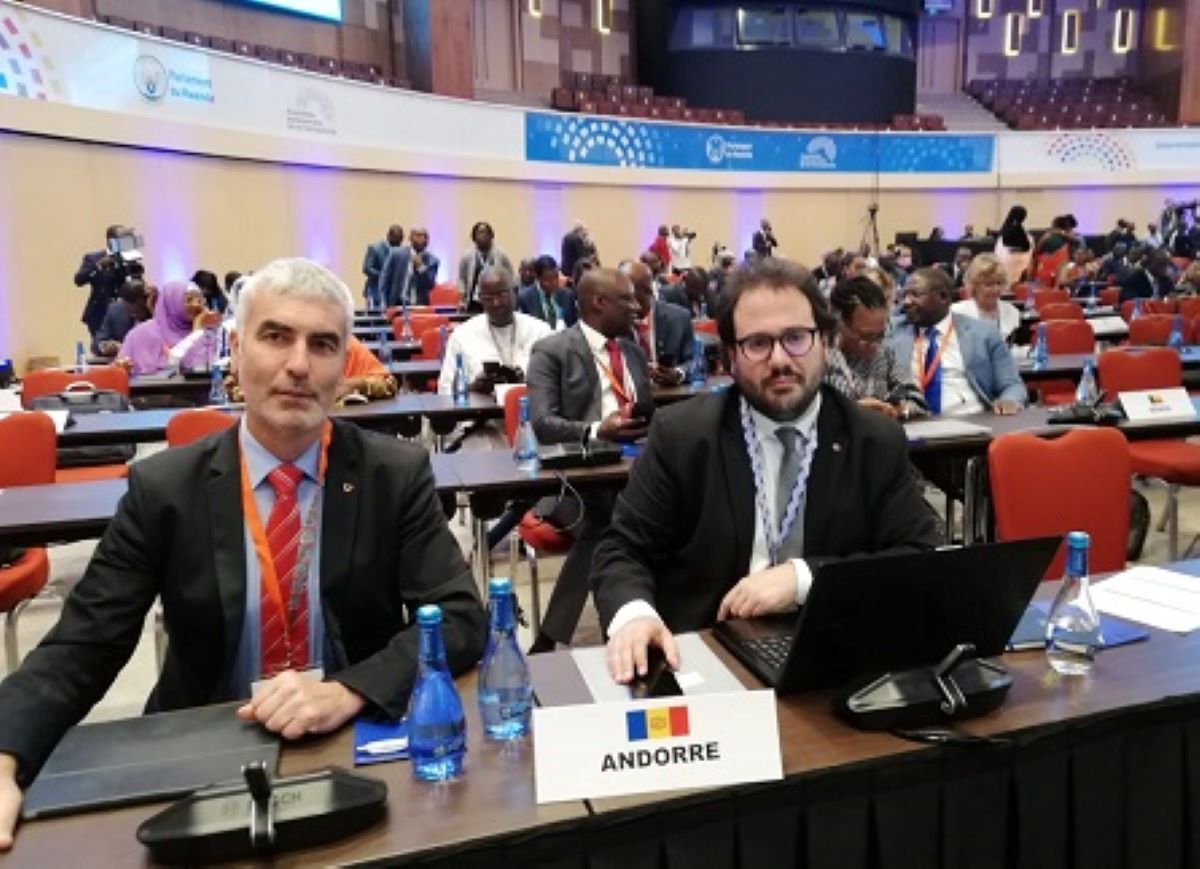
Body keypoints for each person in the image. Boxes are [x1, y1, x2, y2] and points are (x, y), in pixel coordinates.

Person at [0, 258, 488, 848]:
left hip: (352, 749)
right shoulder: (166, 489)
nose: (298, 365)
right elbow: (83, 643)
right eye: (276, 336)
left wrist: (349, 689)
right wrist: (6, 754)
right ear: (235, 350)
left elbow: (460, 619)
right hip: (206, 749)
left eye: (323, 344)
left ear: (345, 366)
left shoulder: (394, 475)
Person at [590, 258, 941, 681]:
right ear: (731, 356)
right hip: (707, 654)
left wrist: (803, 577)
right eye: (757, 343)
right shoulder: (683, 435)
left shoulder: (873, 439)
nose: (779, 359)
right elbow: (622, 550)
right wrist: (634, 616)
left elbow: (919, 556)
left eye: (796, 338)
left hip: (834, 654)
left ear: (825, 341)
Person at [525, 268, 652, 652]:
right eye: (627, 300)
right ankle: (558, 638)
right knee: (606, 526)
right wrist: (598, 430)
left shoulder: (631, 350)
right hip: (572, 483)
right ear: (600, 303)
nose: (637, 307)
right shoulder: (553, 350)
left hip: (632, 474)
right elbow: (543, 424)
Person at [888, 267, 1026, 417]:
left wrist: (1009, 400)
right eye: (904, 295)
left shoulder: (983, 334)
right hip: (912, 420)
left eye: (915, 295)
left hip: (972, 418)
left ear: (943, 297)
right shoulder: (891, 333)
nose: (907, 302)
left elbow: (1012, 384)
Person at [438, 267, 551, 398]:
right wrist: (473, 388)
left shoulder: (541, 331)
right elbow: (445, 391)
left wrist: (527, 381)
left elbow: (556, 384)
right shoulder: (461, 336)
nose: (496, 303)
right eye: (488, 298)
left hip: (531, 413)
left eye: (501, 295)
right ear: (480, 299)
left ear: (515, 292)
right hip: (479, 416)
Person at [824, 276, 926, 420]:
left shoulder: (885, 353)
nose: (874, 345)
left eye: (880, 335)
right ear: (841, 323)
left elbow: (917, 401)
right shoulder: (819, 358)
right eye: (866, 337)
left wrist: (897, 411)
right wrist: (851, 412)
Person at [117, 280, 223, 375]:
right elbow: (120, 371)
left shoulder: (209, 332)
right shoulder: (140, 335)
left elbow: (202, 370)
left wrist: (198, 332)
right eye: (189, 300)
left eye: (199, 299)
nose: (196, 305)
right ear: (172, 303)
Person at [623, 260, 694, 383]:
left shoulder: (679, 318)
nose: (623, 302)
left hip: (672, 397)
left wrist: (678, 373)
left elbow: (695, 361)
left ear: (648, 291)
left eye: (627, 295)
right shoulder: (614, 322)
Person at [74, 225, 133, 340]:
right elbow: (79, 280)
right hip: (100, 312)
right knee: (101, 347)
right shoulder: (93, 258)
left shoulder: (129, 259)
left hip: (124, 312)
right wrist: (98, 266)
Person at [951, 253, 1022, 343]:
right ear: (974, 285)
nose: (996, 289)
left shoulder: (1012, 312)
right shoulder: (956, 312)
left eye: (999, 283)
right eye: (989, 284)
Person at [457, 222, 513, 312]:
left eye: (486, 232)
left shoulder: (501, 255)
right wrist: (462, 299)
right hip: (473, 302)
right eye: (480, 232)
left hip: (495, 301)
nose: (483, 235)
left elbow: (510, 277)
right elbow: (461, 279)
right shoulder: (466, 256)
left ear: (491, 235)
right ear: (474, 237)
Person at [380, 227, 440, 307]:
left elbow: (430, 285)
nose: (421, 239)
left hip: (419, 305)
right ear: (410, 238)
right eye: (418, 235)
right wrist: (384, 303)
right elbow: (385, 280)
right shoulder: (396, 254)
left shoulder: (433, 261)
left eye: (425, 236)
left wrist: (421, 267)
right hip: (396, 303)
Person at [93, 278, 151, 357]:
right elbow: (97, 343)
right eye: (130, 310)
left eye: (139, 310)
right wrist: (105, 347)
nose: (135, 313)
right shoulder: (115, 311)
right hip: (121, 364)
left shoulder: (157, 312)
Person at [517, 255, 578, 330]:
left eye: (556, 278)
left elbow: (574, 326)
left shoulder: (567, 296)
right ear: (538, 278)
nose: (554, 283)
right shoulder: (525, 298)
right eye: (548, 280)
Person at [361, 224, 403, 309]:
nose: (398, 243)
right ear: (388, 236)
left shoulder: (401, 251)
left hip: (394, 294)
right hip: (375, 291)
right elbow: (367, 268)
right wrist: (385, 275)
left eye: (400, 240)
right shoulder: (375, 248)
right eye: (395, 239)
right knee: (375, 319)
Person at [994, 205, 1032, 284]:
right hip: (1016, 263)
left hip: (1006, 263)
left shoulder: (1005, 230)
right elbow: (1026, 247)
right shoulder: (1018, 230)